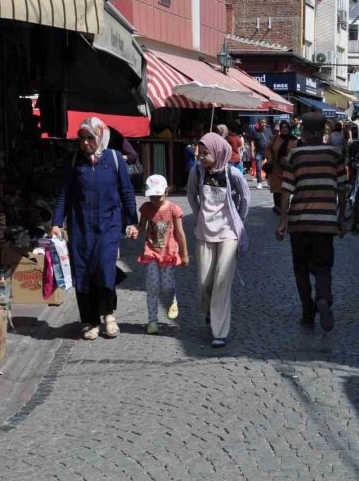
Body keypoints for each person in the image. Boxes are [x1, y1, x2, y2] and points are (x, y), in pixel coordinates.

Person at [52, 117, 138, 340]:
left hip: (109, 224)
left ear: (100, 136)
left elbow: (127, 191)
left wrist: (132, 220)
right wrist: (56, 223)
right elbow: (64, 194)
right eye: (81, 138)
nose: (85, 143)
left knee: (105, 267)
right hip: (80, 226)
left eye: (90, 137)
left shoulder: (115, 159)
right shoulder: (74, 161)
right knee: (83, 272)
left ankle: (108, 314)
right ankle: (91, 321)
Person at [276, 113, 346, 332]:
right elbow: (342, 188)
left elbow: (286, 191)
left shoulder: (295, 154)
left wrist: (283, 221)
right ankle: (323, 298)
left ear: (303, 131)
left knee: (301, 269)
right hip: (325, 222)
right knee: (323, 267)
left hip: (299, 223)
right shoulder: (335, 154)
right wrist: (341, 217)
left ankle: (307, 313)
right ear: (324, 131)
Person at [187, 132, 250, 348]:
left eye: (206, 153)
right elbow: (191, 195)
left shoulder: (233, 173)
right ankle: (210, 310)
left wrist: (238, 221)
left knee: (222, 280)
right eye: (200, 152)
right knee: (204, 282)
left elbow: (245, 197)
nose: (201, 157)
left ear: (218, 152)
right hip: (204, 232)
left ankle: (219, 331)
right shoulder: (196, 172)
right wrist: (199, 215)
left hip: (228, 233)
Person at [136, 174, 189, 335]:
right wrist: (135, 231)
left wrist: (184, 254)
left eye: (158, 196)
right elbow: (141, 226)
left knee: (166, 286)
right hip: (151, 251)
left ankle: (172, 298)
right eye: (151, 196)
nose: (154, 200)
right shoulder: (146, 208)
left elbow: (180, 233)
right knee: (152, 287)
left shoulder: (174, 209)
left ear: (166, 192)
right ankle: (152, 321)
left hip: (168, 252)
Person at [265, 120, 298, 215]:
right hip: (276, 167)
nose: (284, 129)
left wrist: (288, 159)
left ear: (289, 128)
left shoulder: (294, 140)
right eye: (282, 127)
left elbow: (296, 153)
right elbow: (268, 149)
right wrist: (269, 157)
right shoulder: (276, 138)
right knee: (276, 188)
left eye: (286, 127)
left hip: (288, 168)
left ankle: (285, 207)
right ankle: (277, 206)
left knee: (286, 187)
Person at [250, 118, 273, 190]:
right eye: (262, 122)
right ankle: (259, 182)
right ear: (258, 123)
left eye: (264, 122)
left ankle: (269, 181)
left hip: (268, 152)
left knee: (269, 167)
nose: (263, 124)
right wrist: (252, 151)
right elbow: (253, 141)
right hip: (259, 152)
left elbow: (272, 140)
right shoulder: (255, 131)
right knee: (258, 167)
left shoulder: (269, 130)